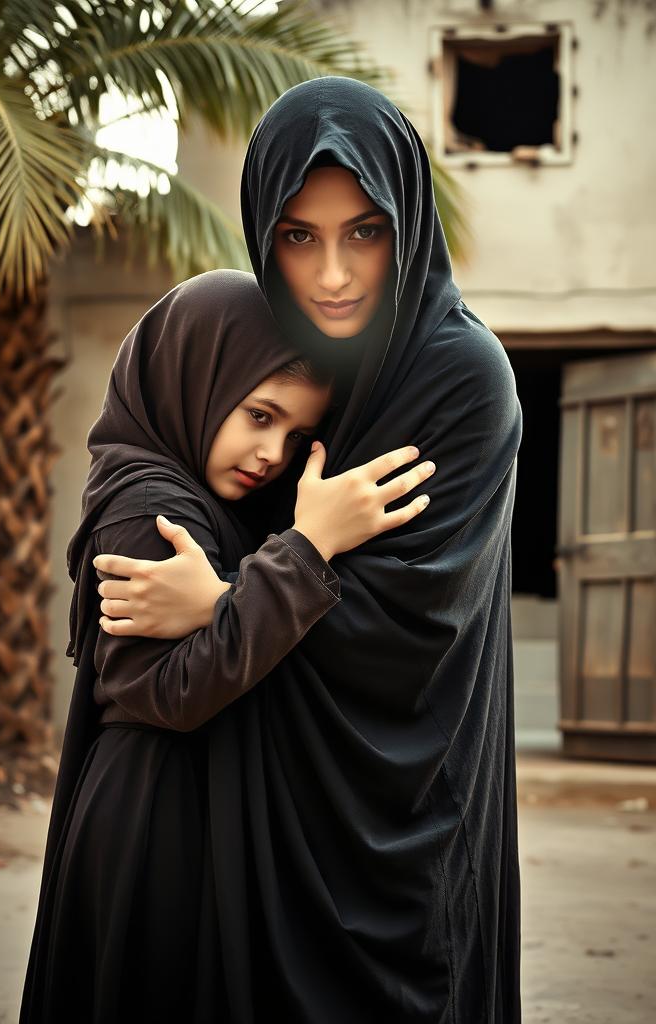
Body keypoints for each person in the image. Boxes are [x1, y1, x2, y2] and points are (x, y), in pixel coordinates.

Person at [95, 78, 524, 1022]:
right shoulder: (290, 364)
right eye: (299, 236)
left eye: (364, 231)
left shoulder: (459, 377)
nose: (333, 275)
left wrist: (220, 604)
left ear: (406, 223)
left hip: (398, 797)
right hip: (251, 818)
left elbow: (411, 615)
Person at [19, 269, 434, 1022]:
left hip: (195, 815)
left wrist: (232, 595)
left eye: (296, 434)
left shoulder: (212, 503)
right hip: (157, 827)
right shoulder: (148, 506)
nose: (272, 452)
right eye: (258, 414)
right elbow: (172, 691)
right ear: (194, 373)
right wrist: (309, 548)